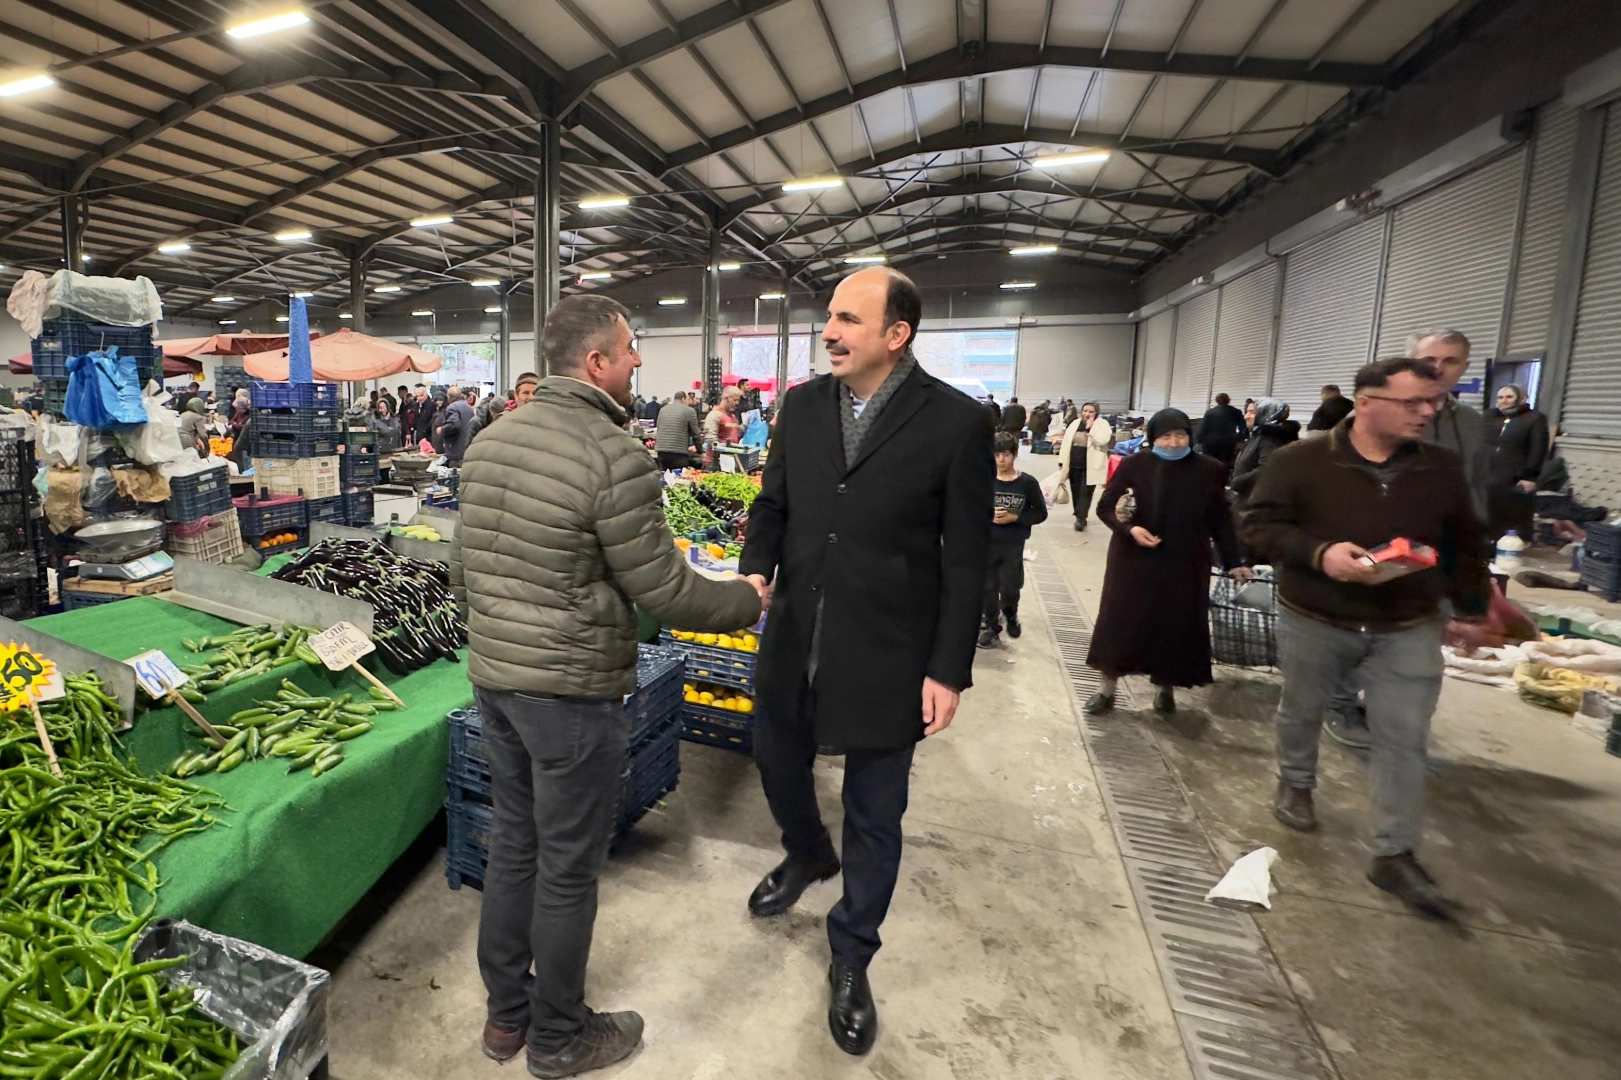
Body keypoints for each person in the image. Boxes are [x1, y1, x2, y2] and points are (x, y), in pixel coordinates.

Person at [451, 294, 763, 1076]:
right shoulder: (612, 453)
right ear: (594, 362)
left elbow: (460, 570)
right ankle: (557, 1038)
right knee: (565, 866)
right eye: (628, 351)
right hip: (569, 695)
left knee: (515, 846)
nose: (636, 365)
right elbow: (664, 591)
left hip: (497, 683)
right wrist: (746, 600)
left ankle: (504, 1020)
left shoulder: (492, 441)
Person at [738, 266, 992, 1057]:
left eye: (848, 319)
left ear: (896, 334)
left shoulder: (954, 422)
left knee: (877, 812)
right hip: (795, 629)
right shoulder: (803, 405)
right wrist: (755, 565)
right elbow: (773, 502)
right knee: (776, 755)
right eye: (829, 318)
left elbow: (966, 558)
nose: (829, 332)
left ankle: (851, 953)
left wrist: (947, 668)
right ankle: (806, 851)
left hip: (888, 646)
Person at [1240, 356, 1488, 921]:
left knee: (1403, 737)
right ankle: (1296, 783)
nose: (1427, 412)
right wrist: (1320, 553)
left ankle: (1395, 853)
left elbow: (1467, 542)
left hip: (1407, 622)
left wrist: (1471, 609)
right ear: (1366, 402)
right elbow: (1256, 524)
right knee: (1301, 708)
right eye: (1412, 403)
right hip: (1316, 615)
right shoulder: (1299, 461)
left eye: (1433, 403)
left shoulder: (1441, 469)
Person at [1326, 328, 1491, 750]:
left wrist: (1474, 556)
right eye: (1429, 359)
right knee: (1358, 625)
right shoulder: (1375, 415)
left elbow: (1474, 487)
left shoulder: (1471, 424)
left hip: (1437, 546)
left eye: (1450, 361)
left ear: (1464, 369)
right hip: (1375, 541)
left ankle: (1394, 716)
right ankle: (1341, 703)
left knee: (1417, 634)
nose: (1438, 368)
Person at [1083, 408, 1248, 715]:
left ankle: (1164, 688)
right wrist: (1130, 529)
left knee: (1174, 626)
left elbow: (1220, 519)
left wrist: (1233, 560)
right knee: (1121, 623)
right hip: (1134, 560)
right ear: (1153, 438)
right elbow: (1106, 506)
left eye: (1181, 435)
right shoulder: (1135, 464)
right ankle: (1107, 690)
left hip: (1185, 561)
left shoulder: (1210, 468)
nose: (1173, 443)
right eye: (1166, 436)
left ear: (1191, 436)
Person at [979, 431, 1047, 648]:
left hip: (1013, 544)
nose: (1001, 460)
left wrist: (1015, 518)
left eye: (1006, 454)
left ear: (1015, 455)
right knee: (988, 588)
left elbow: (1041, 513)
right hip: (987, 543)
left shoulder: (1026, 483)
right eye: (997, 454)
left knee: (1009, 587)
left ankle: (1010, 614)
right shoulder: (983, 481)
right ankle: (992, 627)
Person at [1484, 383, 1549, 540]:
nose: (1504, 401)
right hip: (1487, 472)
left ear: (1521, 398)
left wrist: (1529, 476)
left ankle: (1510, 544)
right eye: (1500, 397)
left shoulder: (1534, 419)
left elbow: (1538, 448)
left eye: (1509, 397)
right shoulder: (1489, 416)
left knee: (1512, 512)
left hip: (1514, 475)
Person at [1229, 398, 1299, 507]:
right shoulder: (1257, 435)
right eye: (1247, 412)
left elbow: (1268, 469)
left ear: (1267, 414)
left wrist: (1238, 482)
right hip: (1247, 499)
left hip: (1256, 504)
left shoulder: (1270, 439)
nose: (1246, 416)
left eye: (1252, 412)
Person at [1056, 402, 1111, 531]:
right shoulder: (1074, 423)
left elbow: (1103, 440)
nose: (1087, 414)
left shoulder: (1102, 424)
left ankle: (1081, 518)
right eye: (1085, 411)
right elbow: (1066, 443)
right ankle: (1078, 513)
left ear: (1096, 412)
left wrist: (1089, 429)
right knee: (1075, 490)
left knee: (1085, 492)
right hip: (1075, 462)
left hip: (1091, 464)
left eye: (1091, 412)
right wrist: (1061, 461)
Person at [1195, 393, 1248, 469]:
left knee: (1209, 465)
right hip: (1228, 443)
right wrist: (1239, 437)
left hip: (1210, 444)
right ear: (1228, 400)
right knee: (1224, 465)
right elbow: (1243, 427)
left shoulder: (1210, 412)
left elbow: (1202, 428)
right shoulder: (1235, 412)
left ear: (1217, 401)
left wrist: (1199, 440)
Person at [653, 390, 702, 471]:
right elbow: (696, 434)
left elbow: (659, 427)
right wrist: (700, 451)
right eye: (687, 400)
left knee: (664, 477)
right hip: (678, 453)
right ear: (683, 399)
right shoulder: (689, 411)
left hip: (661, 451)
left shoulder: (663, 410)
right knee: (678, 478)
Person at [437, 386, 475, 467]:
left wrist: (442, 430)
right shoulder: (468, 407)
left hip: (456, 450)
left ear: (449, 397)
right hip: (467, 448)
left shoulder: (452, 408)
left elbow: (454, 424)